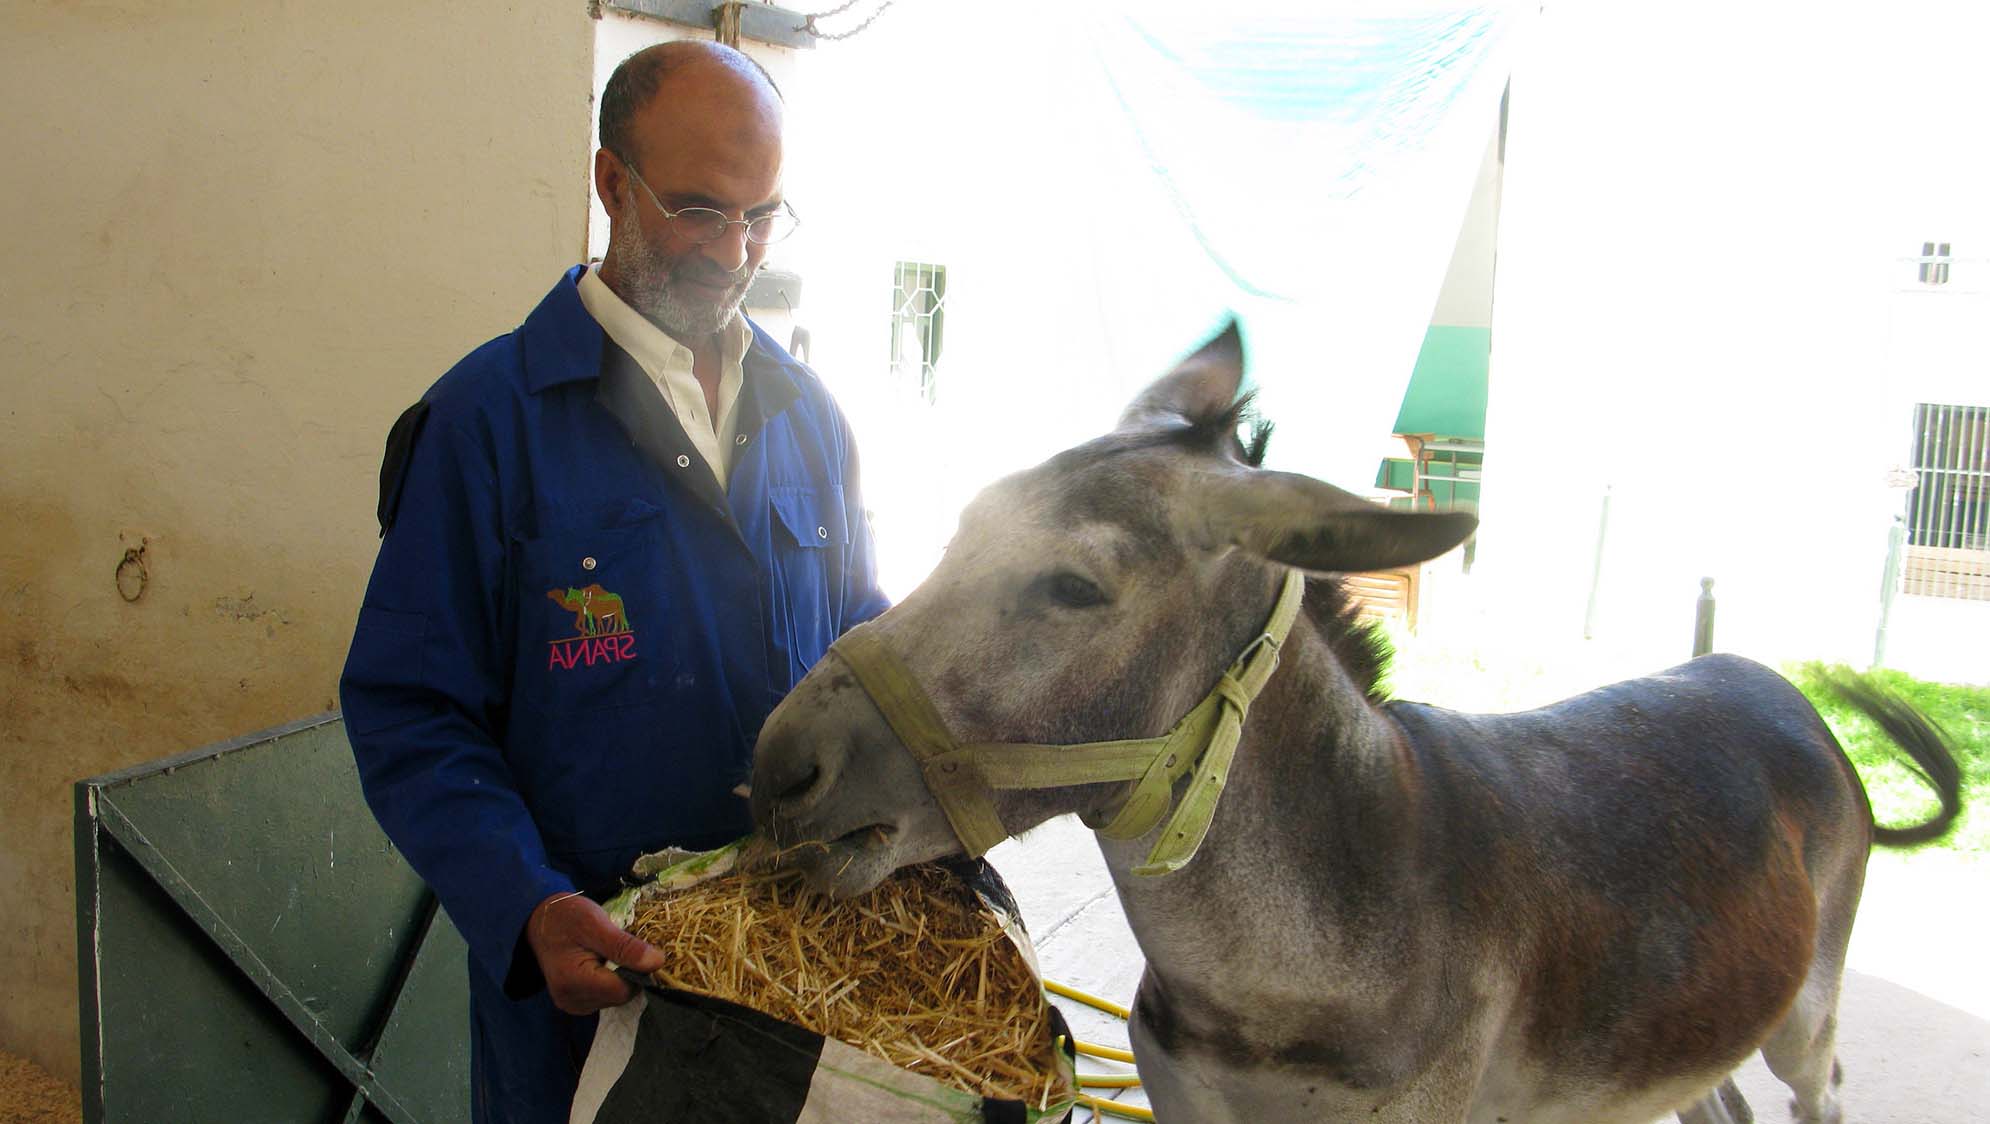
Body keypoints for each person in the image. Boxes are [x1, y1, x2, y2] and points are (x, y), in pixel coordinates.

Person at [339, 40, 889, 1124]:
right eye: (697, 210)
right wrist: (524, 900)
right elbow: (410, 712)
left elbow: (855, 643)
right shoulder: (485, 425)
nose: (734, 253)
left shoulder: (808, 418)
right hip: (584, 998)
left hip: (786, 997)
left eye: (761, 215)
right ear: (608, 183)